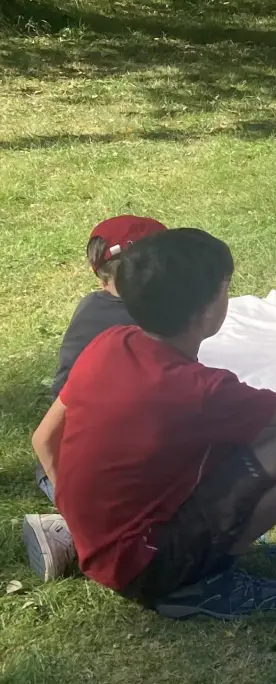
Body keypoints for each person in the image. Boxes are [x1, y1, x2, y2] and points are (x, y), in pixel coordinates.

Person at [28, 229, 276, 620]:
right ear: (210, 310)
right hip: (147, 565)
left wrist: (83, 520)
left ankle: (81, 542)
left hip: (105, 542)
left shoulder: (112, 341)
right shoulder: (202, 391)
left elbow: (44, 438)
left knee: (267, 430)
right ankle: (208, 581)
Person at [22, 215, 167, 581]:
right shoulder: (138, 328)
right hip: (82, 471)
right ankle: (68, 534)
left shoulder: (96, 306)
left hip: (69, 461)